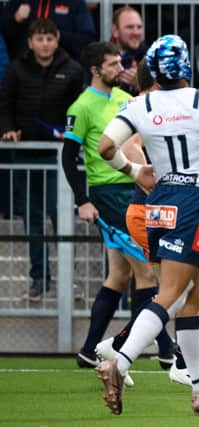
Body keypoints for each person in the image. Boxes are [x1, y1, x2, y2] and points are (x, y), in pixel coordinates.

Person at [96, 34, 199, 415]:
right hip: (192, 201)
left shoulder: (140, 104)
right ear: (187, 66)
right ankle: (119, 359)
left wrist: (133, 170)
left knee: (191, 293)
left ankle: (198, 387)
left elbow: (105, 148)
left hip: (157, 202)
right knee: (174, 294)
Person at [61, 41, 171, 369]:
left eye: (119, 62)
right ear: (95, 70)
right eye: (111, 64)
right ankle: (165, 350)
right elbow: (68, 158)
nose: (119, 68)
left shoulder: (126, 99)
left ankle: (89, 349)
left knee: (119, 276)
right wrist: (82, 200)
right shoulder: (82, 107)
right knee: (146, 271)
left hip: (134, 190)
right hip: (108, 196)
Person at [0, 18, 84, 301]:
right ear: (30, 42)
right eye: (39, 39)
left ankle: (67, 282)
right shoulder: (16, 69)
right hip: (25, 154)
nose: (45, 44)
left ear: (57, 39)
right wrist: (8, 129)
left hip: (59, 158)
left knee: (60, 217)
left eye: (49, 38)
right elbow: (5, 104)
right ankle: (39, 279)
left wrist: (70, 135)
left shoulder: (72, 70)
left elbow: (79, 109)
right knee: (33, 219)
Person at [1, 0, 96, 61]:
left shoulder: (75, 3)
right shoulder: (18, 2)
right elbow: (4, 36)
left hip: (64, 71)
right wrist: (15, 20)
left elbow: (87, 39)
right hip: (24, 70)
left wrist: (55, 36)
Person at [111, 5, 147, 95]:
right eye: (130, 27)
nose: (136, 32)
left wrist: (141, 84)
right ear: (115, 30)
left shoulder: (150, 57)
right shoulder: (102, 57)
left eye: (139, 27)